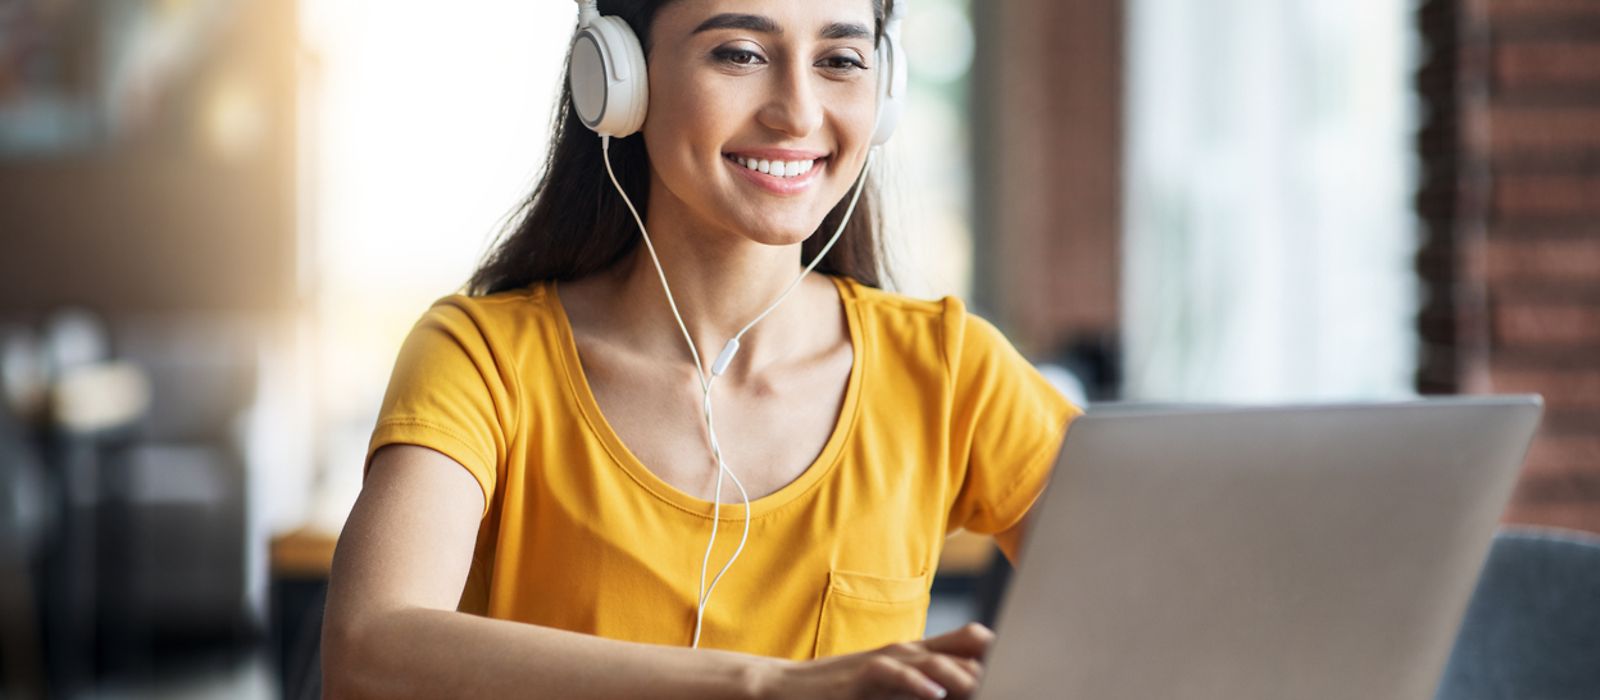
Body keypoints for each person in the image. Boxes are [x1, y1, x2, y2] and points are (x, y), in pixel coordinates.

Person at [321, 1, 1079, 698]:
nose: (798, 111)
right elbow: (368, 648)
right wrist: (769, 687)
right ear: (618, 76)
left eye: (841, 61)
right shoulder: (483, 358)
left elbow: (1166, 610)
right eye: (741, 54)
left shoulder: (952, 373)